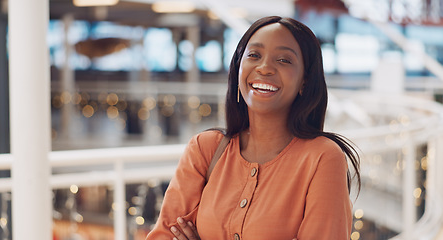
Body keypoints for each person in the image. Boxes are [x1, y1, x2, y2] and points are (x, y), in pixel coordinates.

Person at [145, 16, 361, 240]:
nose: (265, 68)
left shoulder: (322, 158)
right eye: (254, 55)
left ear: (304, 80)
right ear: (239, 67)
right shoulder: (205, 149)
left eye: (284, 60)